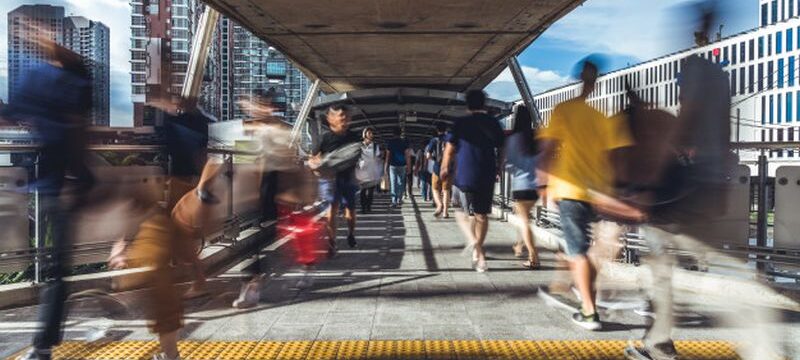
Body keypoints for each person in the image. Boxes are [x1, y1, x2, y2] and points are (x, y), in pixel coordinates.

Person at [625, 6, 780, 359]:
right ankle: (757, 345)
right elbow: (724, 129)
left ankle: (661, 345)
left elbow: (686, 118)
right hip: (710, 178)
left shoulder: (692, 69)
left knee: (664, 260)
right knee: (703, 258)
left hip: (687, 181)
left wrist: (652, 174)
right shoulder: (721, 77)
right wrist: (724, 180)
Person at [10, 35, 94, 360]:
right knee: (52, 266)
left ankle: (43, 345)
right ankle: (44, 343)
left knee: (53, 267)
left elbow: (76, 130)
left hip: (60, 183)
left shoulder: (70, 79)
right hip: (49, 183)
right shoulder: (43, 77)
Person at [536, 57, 633, 331]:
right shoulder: (603, 118)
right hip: (599, 192)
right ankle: (586, 296)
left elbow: (547, 149)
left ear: (580, 77)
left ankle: (589, 313)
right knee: (590, 251)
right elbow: (616, 158)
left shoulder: (564, 110)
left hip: (570, 189)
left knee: (577, 251)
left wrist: (543, 182)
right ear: (597, 79)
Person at [440, 90, 504, 273]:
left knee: (465, 214)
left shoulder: (460, 123)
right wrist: (499, 166)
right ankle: (478, 250)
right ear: (485, 104)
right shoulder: (493, 123)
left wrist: (444, 167)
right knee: (482, 215)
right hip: (487, 173)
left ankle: (477, 247)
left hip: (465, 175)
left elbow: (449, 149)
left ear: (467, 105)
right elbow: (502, 147)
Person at [309, 105, 360, 251]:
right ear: (331, 119)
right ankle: (332, 241)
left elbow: (356, 156)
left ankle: (351, 233)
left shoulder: (354, 137)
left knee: (350, 210)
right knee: (331, 210)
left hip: (348, 178)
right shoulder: (325, 138)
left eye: (346, 116)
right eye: (340, 116)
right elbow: (314, 158)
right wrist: (316, 167)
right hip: (329, 180)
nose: (344, 119)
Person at [504, 105, 540, 270]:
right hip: (535, 187)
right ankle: (519, 245)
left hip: (520, 186)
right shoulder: (535, 137)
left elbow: (509, 164)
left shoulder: (513, 139)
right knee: (523, 219)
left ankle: (534, 258)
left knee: (524, 221)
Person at [427, 124, 453, 218]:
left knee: (435, 189)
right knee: (446, 190)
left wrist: (434, 158)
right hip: (448, 168)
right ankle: (445, 212)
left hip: (437, 168)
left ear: (437, 131)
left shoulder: (434, 140)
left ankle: (439, 205)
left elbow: (428, 156)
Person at [358, 127, 382, 213]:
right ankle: (363, 208)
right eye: (369, 133)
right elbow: (357, 157)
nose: (371, 135)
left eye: (372, 133)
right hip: (362, 171)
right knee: (363, 191)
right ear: (364, 135)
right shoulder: (359, 145)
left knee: (370, 192)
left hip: (372, 171)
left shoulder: (375, 146)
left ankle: (368, 206)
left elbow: (378, 157)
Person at [385, 128, 411, 208]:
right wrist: (409, 166)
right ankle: (399, 200)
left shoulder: (390, 143)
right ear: (400, 134)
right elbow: (407, 155)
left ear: (393, 134)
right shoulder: (404, 143)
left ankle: (394, 201)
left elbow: (388, 156)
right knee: (400, 183)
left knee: (393, 183)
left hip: (392, 166)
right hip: (402, 165)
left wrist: (385, 166)